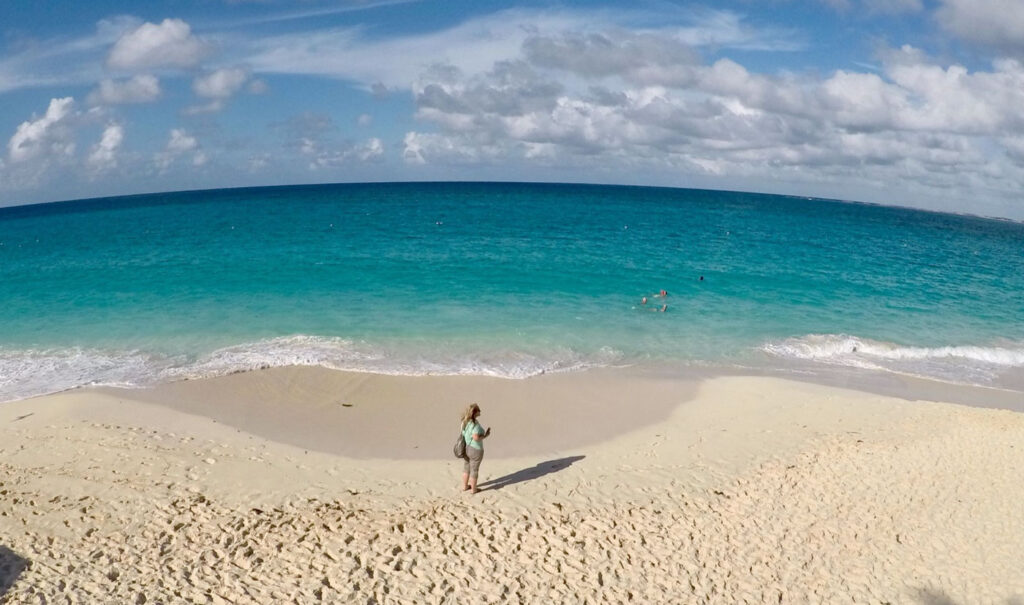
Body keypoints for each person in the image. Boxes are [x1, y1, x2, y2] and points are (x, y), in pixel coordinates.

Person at [459, 403, 491, 494]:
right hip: (475, 449)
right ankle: (473, 489)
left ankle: (465, 486)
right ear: (475, 412)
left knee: (466, 467)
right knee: (474, 469)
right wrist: (485, 436)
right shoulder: (475, 424)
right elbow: (476, 437)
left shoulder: (464, 421)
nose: (480, 411)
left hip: (466, 447)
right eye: (479, 410)